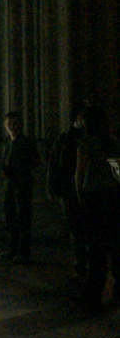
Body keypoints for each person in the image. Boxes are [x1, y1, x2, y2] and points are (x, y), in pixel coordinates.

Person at [75, 104, 120, 310]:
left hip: (93, 195)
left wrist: (79, 195)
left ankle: (95, 292)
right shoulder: (113, 143)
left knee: (95, 246)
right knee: (114, 242)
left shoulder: (85, 142)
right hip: (112, 195)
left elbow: (80, 172)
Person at [46, 101, 88, 280]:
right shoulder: (65, 138)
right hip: (69, 190)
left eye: (83, 117)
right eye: (78, 117)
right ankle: (80, 267)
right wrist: (51, 186)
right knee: (76, 230)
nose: (80, 120)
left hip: (89, 190)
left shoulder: (92, 139)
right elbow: (54, 163)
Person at [0, 111, 40, 264]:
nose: (12, 127)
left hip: (22, 183)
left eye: (14, 124)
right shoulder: (7, 142)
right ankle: (12, 249)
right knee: (10, 214)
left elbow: (36, 161)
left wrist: (21, 170)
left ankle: (23, 252)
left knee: (23, 216)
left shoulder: (26, 142)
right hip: (10, 182)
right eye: (9, 124)